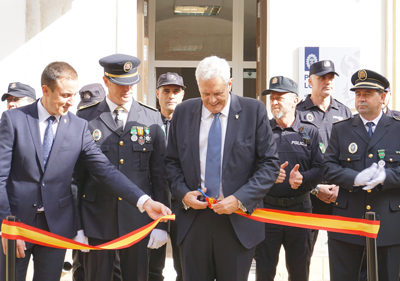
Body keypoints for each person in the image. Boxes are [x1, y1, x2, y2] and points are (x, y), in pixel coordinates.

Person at [0, 61, 171, 281]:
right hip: (18, 225)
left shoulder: (78, 126)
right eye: (64, 95)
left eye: (73, 95)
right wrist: (8, 223)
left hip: (56, 226)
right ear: (45, 90)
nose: (70, 102)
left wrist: (145, 202)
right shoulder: (14, 120)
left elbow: (106, 171)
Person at [165, 56, 280, 281]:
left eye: (218, 93)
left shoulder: (253, 111)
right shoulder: (183, 112)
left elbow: (269, 164)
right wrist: (182, 194)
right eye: (205, 94)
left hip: (236, 221)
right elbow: (171, 162)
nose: (212, 100)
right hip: (193, 222)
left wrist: (239, 199)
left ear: (230, 84)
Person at [74, 54, 170, 281]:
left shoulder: (151, 118)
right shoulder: (86, 118)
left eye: (131, 83)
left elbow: (159, 175)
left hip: (137, 221)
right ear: (106, 81)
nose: (127, 89)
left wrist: (161, 226)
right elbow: (76, 177)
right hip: (96, 220)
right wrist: (77, 226)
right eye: (120, 84)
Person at [323, 69, 400, 281]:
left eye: (367, 93)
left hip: (389, 226)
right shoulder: (342, 129)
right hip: (348, 223)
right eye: (358, 94)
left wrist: (387, 177)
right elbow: (327, 167)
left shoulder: (397, 129)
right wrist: (353, 178)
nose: (361, 98)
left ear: (383, 97)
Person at [255, 76, 323, 281]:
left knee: (299, 271)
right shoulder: (261, 131)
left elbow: (321, 168)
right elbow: (249, 167)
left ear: (295, 100)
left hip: (300, 212)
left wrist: (303, 178)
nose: (274, 101)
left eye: (280, 97)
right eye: (272, 97)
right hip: (268, 211)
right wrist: (269, 175)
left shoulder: (310, 131)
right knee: (264, 271)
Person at [296, 60, 352, 250]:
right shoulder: (298, 112)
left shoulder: (344, 112)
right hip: (308, 194)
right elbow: (296, 155)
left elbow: (350, 155)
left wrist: (340, 187)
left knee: (343, 252)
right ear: (310, 81)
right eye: (322, 78)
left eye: (331, 77)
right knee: (303, 254)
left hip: (339, 194)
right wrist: (314, 187)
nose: (327, 81)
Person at [149, 72, 185, 281]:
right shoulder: (146, 123)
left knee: (186, 265)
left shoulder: (194, 124)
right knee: (153, 266)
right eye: (166, 91)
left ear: (182, 95)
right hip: (155, 203)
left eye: (176, 91)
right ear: (157, 94)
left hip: (183, 204)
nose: (171, 95)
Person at [72, 82, 107, 281]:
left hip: (108, 215)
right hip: (85, 212)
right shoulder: (78, 127)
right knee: (80, 268)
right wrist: (77, 223)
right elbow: (74, 178)